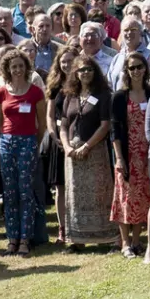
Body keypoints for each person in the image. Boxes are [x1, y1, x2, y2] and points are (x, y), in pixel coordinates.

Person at [56, 56, 117, 251]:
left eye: (89, 69)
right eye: (81, 70)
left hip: (95, 150)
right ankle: (77, 239)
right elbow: (64, 123)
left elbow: (105, 125)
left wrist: (87, 146)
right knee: (75, 195)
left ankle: (106, 237)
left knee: (99, 193)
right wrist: (66, 146)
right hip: (72, 153)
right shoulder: (70, 96)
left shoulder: (103, 94)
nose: (85, 73)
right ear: (75, 73)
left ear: (95, 72)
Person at [0, 52, 47, 257]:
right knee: (9, 192)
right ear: (8, 69)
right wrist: (4, 140)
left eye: (20, 66)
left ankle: (25, 239)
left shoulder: (35, 92)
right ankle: (12, 239)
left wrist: (35, 143)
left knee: (25, 192)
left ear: (26, 67)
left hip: (28, 142)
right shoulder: (0, 92)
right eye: (13, 66)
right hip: (7, 142)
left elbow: (41, 124)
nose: (17, 70)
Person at [109, 52, 150, 257]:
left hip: (147, 154)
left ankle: (137, 240)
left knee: (143, 197)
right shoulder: (119, 97)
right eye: (132, 67)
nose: (136, 71)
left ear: (145, 68)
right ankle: (125, 242)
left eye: (139, 67)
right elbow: (115, 130)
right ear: (126, 71)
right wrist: (119, 157)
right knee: (124, 198)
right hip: (127, 154)